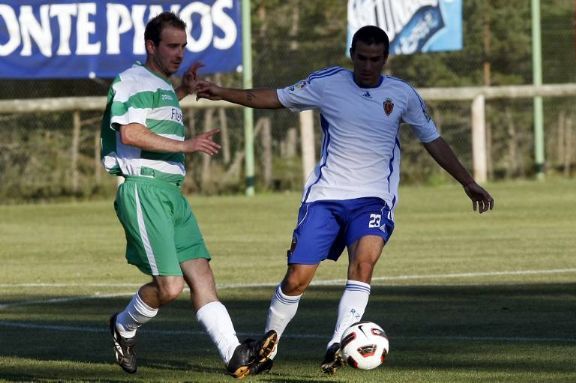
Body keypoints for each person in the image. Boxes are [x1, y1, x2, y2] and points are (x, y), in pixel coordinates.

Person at [195, 25, 494, 374]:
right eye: (362, 58)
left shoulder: (402, 95)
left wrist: (467, 182)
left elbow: (433, 140)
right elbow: (273, 97)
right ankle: (269, 345)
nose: (368, 66)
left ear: (385, 59)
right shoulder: (327, 83)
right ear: (352, 54)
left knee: (363, 264)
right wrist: (220, 92)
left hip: (373, 200)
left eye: (375, 60)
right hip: (325, 198)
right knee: (297, 278)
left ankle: (337, 343)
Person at [100, 11, 276, 379]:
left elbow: (153, 116)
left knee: (202, 275)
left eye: (183, 46)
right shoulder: (131, 80)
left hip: (171, 193)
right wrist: (187, 144)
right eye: (172, 46)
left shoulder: (161, 84)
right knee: (169, 288)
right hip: (144, 191)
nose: (179, 53)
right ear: (151, 46)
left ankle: (234, 354)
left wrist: (183, 90)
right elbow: (130, 134)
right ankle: (123, 326)